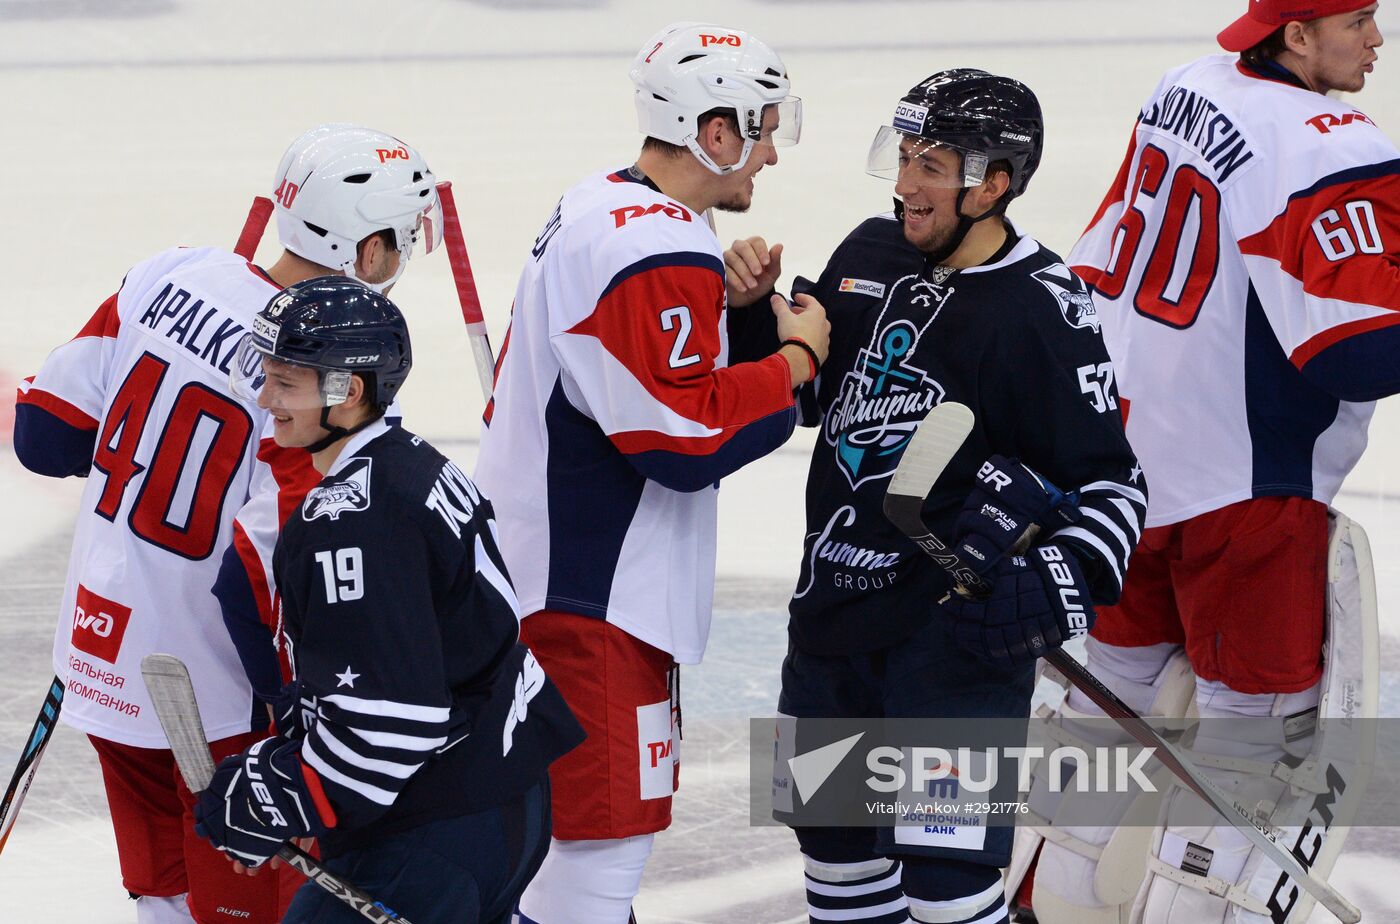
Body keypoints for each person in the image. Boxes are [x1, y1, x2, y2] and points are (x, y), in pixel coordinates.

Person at [725, 70, 1146, 924]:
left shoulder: (1042, 310)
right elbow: (814, 398)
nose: (906, 186)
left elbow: (1113, 485)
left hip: (951, 652)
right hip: (832, 623)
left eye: (933, 167)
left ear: (995, 183)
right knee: (840, 874)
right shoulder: (866, 256)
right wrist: (746, 318)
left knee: (947, 893)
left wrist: (1053, 580)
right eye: (906, 158)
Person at [11, 122, 440, 924]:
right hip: (214, 695)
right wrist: (292, 703)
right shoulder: (326, 364)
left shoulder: (170, 273)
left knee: (162, 894)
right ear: (371, 252)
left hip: (100, 656)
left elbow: (44, 437)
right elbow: (265, 560)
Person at [1021, 2, 1391, 922]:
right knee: (1249, 749)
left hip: (1119, 461)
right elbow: (1357, 352)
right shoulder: (1329, 141)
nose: (1377, 41)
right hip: (1244, 486)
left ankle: (1039, 902)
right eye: (1358, 22)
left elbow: (1097, 260)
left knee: (1108, 704)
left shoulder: (1185, 85)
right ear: (1296, 37)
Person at [471, 20, 829, 924]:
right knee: (596, 868)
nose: (772, 153)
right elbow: (682, 440)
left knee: (565, 867)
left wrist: (734, 308)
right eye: (764, 128)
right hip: (592, 608)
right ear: (717, 132)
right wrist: (794, 360)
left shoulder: (605, 205)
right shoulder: (656, 248)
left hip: (560, 589)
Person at [196, 276, 583, 923]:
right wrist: (288, 756)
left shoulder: (344, 525)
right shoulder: (417, 465)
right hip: (506, 802)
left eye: (285, 383)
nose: (267, 400)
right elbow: (431, 661)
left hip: (432, 836)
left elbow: (389, 729)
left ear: (347, 392)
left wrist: (273, 797)